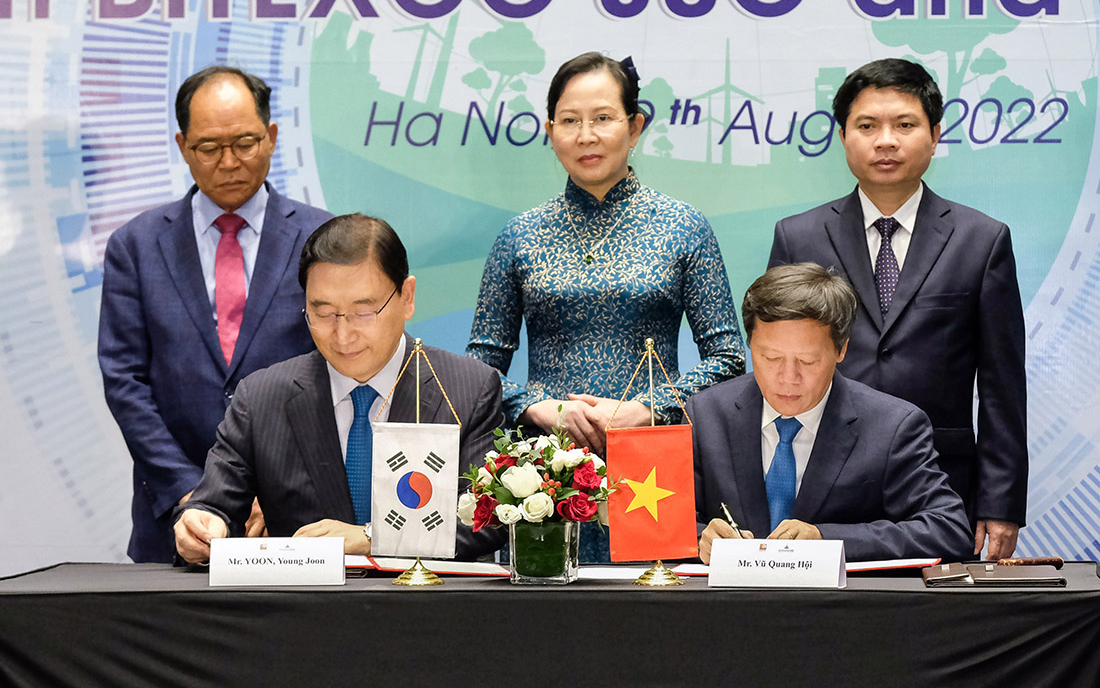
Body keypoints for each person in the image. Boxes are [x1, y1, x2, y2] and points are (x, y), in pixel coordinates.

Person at [466, 51, 745, 561]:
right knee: (543, 618)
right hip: (542, 472)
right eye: (569, 121)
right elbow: (478, 371)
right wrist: (539, 407)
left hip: (651, 467)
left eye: (603, 118)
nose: (586, 135)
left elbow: (728, 360)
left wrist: (647, 409)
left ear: (635, 127)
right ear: (550, 132)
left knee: (651, 621)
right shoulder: (519, 235)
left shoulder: (684, 226)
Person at [767, 58, 1027, 560]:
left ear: (934, 135)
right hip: (818, 481)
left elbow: (1001, 385)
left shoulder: (982, 240)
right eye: (867, 126)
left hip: (938, 484)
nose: (886, 140)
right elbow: (776, 364)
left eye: (905, 125)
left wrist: (1001, 502)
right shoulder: (797, 236)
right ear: (844, 137)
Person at [98, 66, 331, 562]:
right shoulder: (136, 246)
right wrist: (192, 495)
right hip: (173, 523)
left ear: (270, 136)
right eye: (208, 147)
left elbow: (343, 368)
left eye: (245, 142)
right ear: (183, 146)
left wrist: (280, 488)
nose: (229, 162)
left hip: (296, 521)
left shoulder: (326, 241)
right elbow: (125, 382)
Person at [174, 214, 505, 562]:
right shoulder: (261, 398)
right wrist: (200, 525)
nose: (343, 335)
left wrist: (372, 537)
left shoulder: (468, 389)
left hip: (426, 608)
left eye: (364, 312)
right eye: (324, 313)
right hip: (305, 610)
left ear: (407, 297)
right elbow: (214, 504)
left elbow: (484, 521)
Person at [693, 263, 972, 563]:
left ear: (841, 350)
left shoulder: (893, 427)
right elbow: (659, 526)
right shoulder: (705, 415)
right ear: (750, 345)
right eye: (771, 357)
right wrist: (700, 539)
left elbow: (949, 530)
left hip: (840, 607)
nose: (788, 377)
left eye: (808, 361)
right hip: (733, 607)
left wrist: (826, 540)